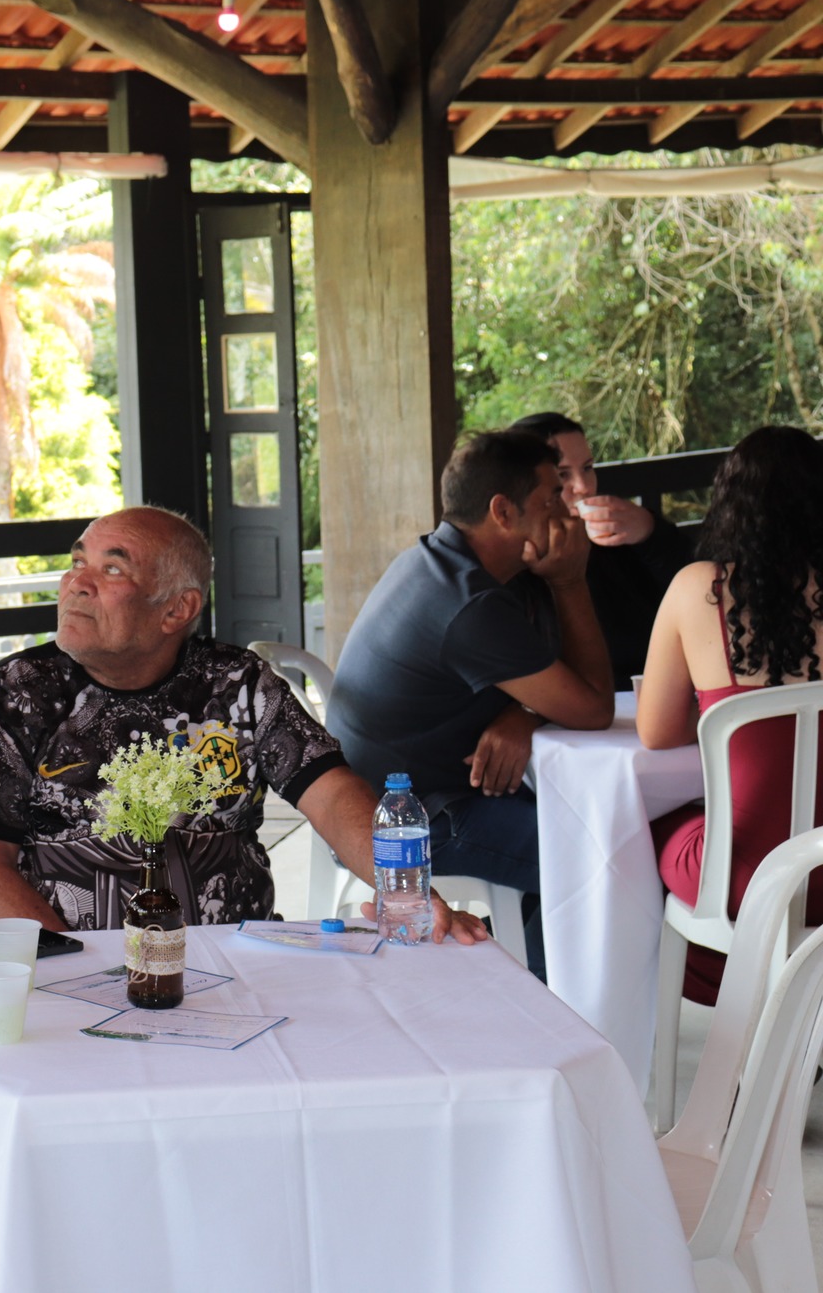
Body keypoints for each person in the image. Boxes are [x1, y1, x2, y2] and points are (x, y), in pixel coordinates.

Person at [0, 505, 487, 944]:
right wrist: (79, 973)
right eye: (77, 561)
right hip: (69, 966)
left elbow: (331, 795)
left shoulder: (236, 683)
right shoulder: (17, 691)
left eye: (112, 569)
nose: (76, 583)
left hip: (233, 958)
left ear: (177, 610)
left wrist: (406, 893)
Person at [327, 429, 617, 977]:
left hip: (411, 796)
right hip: (410, 821)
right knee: (602, 856)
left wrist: (525, 713)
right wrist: (571, 582)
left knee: (587, 828)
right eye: (551, 498)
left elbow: (553, 683)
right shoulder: (468, 602)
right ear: (503, 512)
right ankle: (545, 1003)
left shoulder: (441, 561)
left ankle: (540, 985)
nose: (567, 512)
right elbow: (594, 709)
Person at [638, 426, 823, 1002]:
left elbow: (658, 732)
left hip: (747, 882)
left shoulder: (699, 590)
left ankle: (641, 1005)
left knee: (636, 830)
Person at [511, 411, 695, 688]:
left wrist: (650, 531)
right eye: (563, 474)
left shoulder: (617, 538)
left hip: (658, 687)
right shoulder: (514, 562)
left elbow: (698, 591)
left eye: (587, 468)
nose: (583, 487)